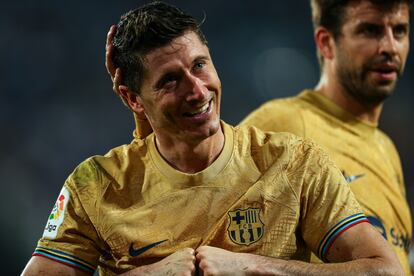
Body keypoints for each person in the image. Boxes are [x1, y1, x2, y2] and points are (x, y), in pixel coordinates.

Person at [22, 2, 403, 275]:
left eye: (199, 65)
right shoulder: (96, 186)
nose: (198, 91)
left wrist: (255, 266)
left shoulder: (295, 162)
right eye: (170, 80)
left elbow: (385, 270)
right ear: (132, 98)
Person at [242, 0, 413, 274]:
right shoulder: (284, 124)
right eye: (370, 30)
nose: (390, 47)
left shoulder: (386, 148)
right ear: (326, 43)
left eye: (400, 31)